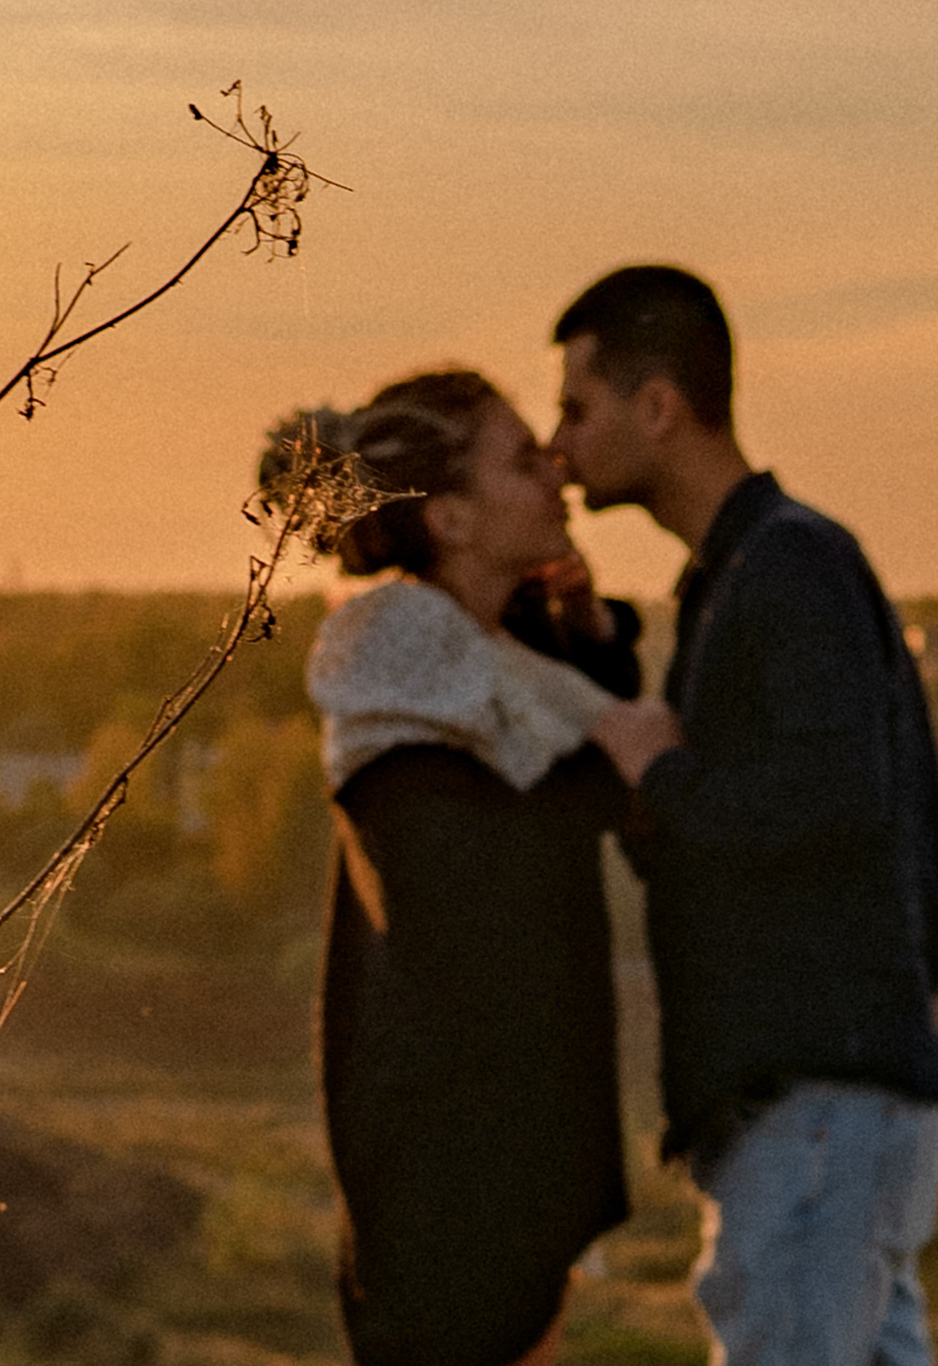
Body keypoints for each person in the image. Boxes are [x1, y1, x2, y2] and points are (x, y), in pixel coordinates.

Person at [548, 266, 938, 1366]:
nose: (557, 444)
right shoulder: (739, 576)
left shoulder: (790, 565)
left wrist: (661, 776)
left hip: (817, 1098)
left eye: (576, 408)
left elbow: (834, 804)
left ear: (659, 407)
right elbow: (742, 838)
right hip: (822, 1093)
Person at [268, 368, 669, 1366]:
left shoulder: (491, 659)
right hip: (447, 1180)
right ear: (449, 516)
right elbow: (466, 887)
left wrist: (581, 631)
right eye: (522, 461)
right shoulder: (400, 671)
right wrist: (610, 761)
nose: (558, 478)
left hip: (503, 1155)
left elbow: (569, 720)